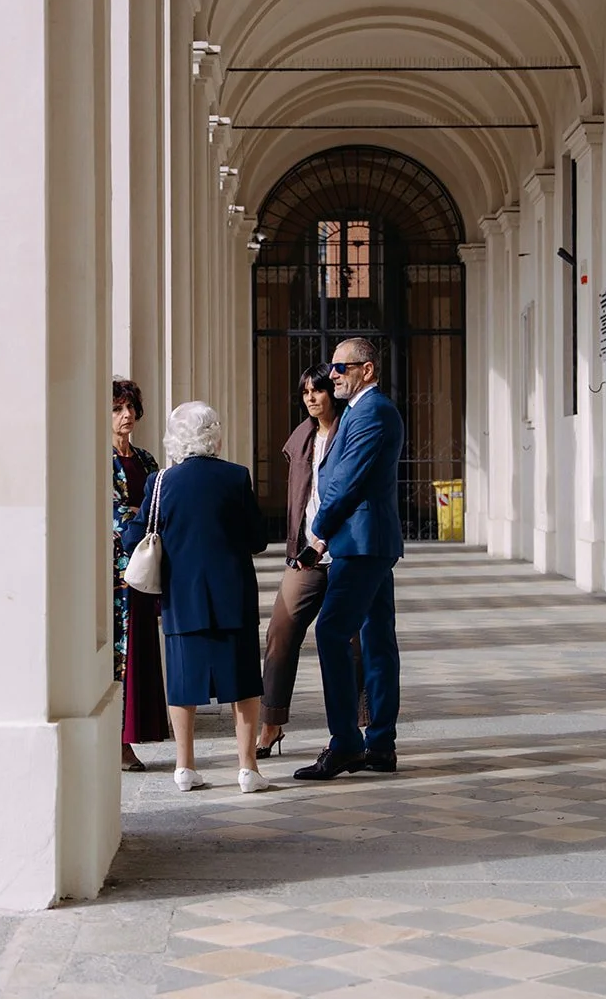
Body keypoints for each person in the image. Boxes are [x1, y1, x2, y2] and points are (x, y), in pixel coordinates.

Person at [122, 402, 270, 793]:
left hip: (182, 596)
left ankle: (185, 766)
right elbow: (257, 539)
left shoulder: (160, 483)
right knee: (242, 684)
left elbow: (134, 537)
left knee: (184, 685)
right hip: (232, 595)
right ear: (214, 435)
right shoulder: (236, 477)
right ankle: (247, 768)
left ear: (175, 438)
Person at [294, 337, 404, 782]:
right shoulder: (361, 412)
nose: (334, 374)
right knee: (376, 640)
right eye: (333, 368)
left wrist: (317, 537)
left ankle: (345, 744)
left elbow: (346, 482)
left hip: (360, 542)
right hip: (366, 541)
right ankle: (380, 744)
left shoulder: (372, 412)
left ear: (368, 370)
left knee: (331, 632)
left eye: (342, 367)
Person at [257, 365, 367, 759]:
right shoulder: (302, 437)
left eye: (318, 390)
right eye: (305, 392)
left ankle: (356, 727)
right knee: (280, 631)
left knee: (352, 640)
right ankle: (271, 723)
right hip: (305, 553)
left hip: (344, 551)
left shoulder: (350, 431)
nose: (311, 398)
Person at [112, 378, 169, 770]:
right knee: (119, 651)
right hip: (115, 572)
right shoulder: (98, 458)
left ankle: (136, 731)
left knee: (142, 648)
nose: (126, 415)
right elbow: (112, 514)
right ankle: (118, 741)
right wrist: (138, 519)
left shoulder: (147, 460)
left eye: (130, 407)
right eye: (117, 409)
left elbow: (160, 504)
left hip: (146, 565)